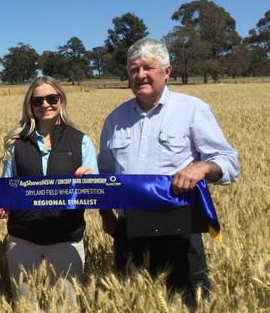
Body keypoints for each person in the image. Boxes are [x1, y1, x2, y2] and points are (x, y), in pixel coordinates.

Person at [98, 38, 240, 306]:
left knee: (189, 302)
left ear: (167, 71)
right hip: (130, 231)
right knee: (131, 303)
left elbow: (229, 162)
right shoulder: (115, 119)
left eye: (148, 67)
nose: (140, 75)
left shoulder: (192, 109)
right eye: (133, 69)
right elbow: (105, 174)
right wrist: (106, 215)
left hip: (180, 229)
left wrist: (203, 166)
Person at [0, 76, 98, 303]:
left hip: (66, 241)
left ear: (61, 100)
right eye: (37, 100)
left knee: (67, 306)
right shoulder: (16, 144)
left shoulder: (81, 142)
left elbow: (96, 191)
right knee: (24, 305)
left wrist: (89, 181)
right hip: (23, 241)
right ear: (30, 105)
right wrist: (3, 206)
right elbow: (7, 186)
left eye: (52, 98)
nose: (45, 105)